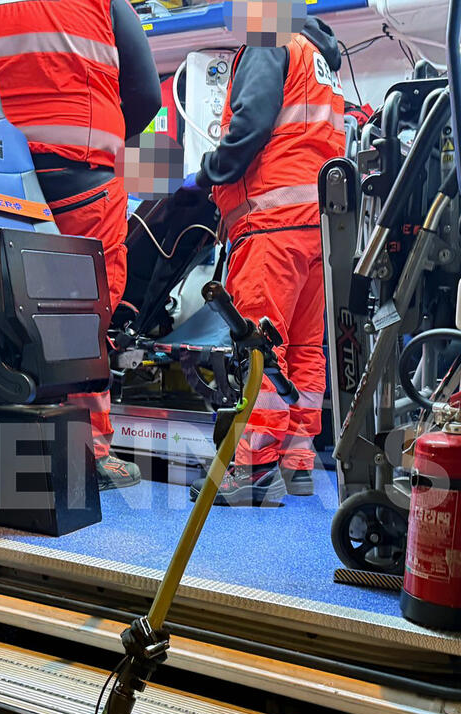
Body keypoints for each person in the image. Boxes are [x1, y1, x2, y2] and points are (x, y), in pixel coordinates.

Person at [0, 0, 162, 490]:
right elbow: (147, 93)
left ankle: (0, 448)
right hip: (81, 173)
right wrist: (102, 137)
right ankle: (87, 456)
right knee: (83, 315)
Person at [188, 4, 345, 506]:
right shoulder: (317, 56)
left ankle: (253, 467)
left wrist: (210, 169)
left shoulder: (268, 42)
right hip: (316, 227)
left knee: (257, 347)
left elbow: (251, 125)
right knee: (303, 348)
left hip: (272, 221)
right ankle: (297, 459)